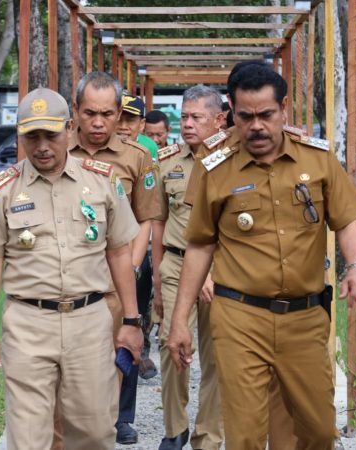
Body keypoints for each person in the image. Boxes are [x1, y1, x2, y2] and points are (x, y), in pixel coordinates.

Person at [167, 64, 356, 450]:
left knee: (318, 430)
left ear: (283, 111)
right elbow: (199, 245)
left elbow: (346, 220)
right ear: (231, 113)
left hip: (305, 317)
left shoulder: (318, 160)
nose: (257, 126)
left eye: (266, 115)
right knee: (244, 434)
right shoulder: (214, 169)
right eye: (246, 117)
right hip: (240, 318)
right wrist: (180, 320)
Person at [0, 87, 143, 450]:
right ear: (21, 136)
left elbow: (119, 253)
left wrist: (131, 321)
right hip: (28, 324)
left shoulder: (102, 181)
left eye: (51, 134)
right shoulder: (2, 189)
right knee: (28, 437)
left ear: (68, 127)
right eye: (32, 136)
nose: (42, 145)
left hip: (89, 322)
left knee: (94, 432)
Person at [67, 71, 162, 445]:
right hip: (68, 281)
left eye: (108, 114)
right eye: (90, 113)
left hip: (114, 281)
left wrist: (134, 267)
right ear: (76, 110)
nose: (99, 122)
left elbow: (145, 219)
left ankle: (119, 420)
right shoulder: (57, 150)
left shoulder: (136, 157)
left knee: (121, 355)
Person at [153, 84, 225, 450]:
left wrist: (210, 274)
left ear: (219, 119)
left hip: (222, 273)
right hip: (176, 265)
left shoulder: (232, 161)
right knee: (170, 346)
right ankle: (174, 428)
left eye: (197, 117)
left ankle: (208, 435)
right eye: (184, 116)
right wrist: (156, 274)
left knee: (217, 356)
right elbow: (158, 224)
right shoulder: (167, 161)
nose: (188, 124)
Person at [116, 93, 160, 381]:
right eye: (117, 116)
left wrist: (136, 261)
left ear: (141, 124)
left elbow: (147, 210)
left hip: (134, 250)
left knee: (134, 315)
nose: (121, 125)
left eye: (130, 119)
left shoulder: (145, 151)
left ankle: (123, 416)